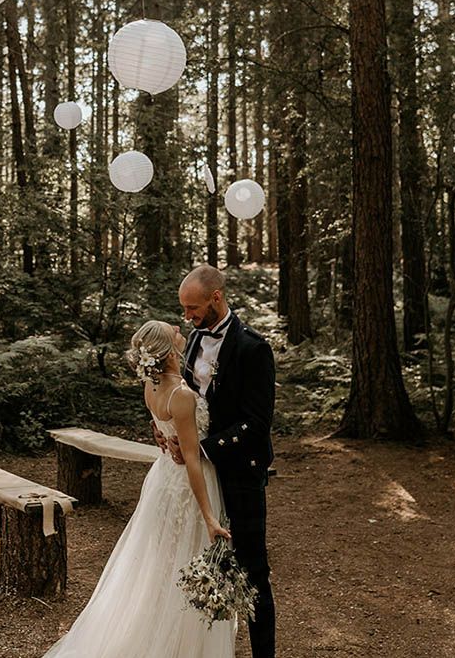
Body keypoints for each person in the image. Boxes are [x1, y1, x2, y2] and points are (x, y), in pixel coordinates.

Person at [40, 319, 237, 658]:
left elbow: (161, 423)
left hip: (163, 481)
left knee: (163, 563)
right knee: (184, 562)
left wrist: (161, 432)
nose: (179, 327)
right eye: (172, 329)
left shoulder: (153, 387)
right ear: (170, 349)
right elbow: (192, 459)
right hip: (189, 487)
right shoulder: (183, 395)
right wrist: (209, 518)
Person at [158, 264, 276, 658]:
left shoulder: (253, 348)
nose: (187, 317)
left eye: (192, 308)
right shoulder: (192, 340)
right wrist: (169, 431)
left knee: (253, 570)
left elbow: (257, 423)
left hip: (240, 470)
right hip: (199, 476)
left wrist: (204, 448)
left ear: (216, 298)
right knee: (200, 565)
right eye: (184, 310)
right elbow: (184, 398)